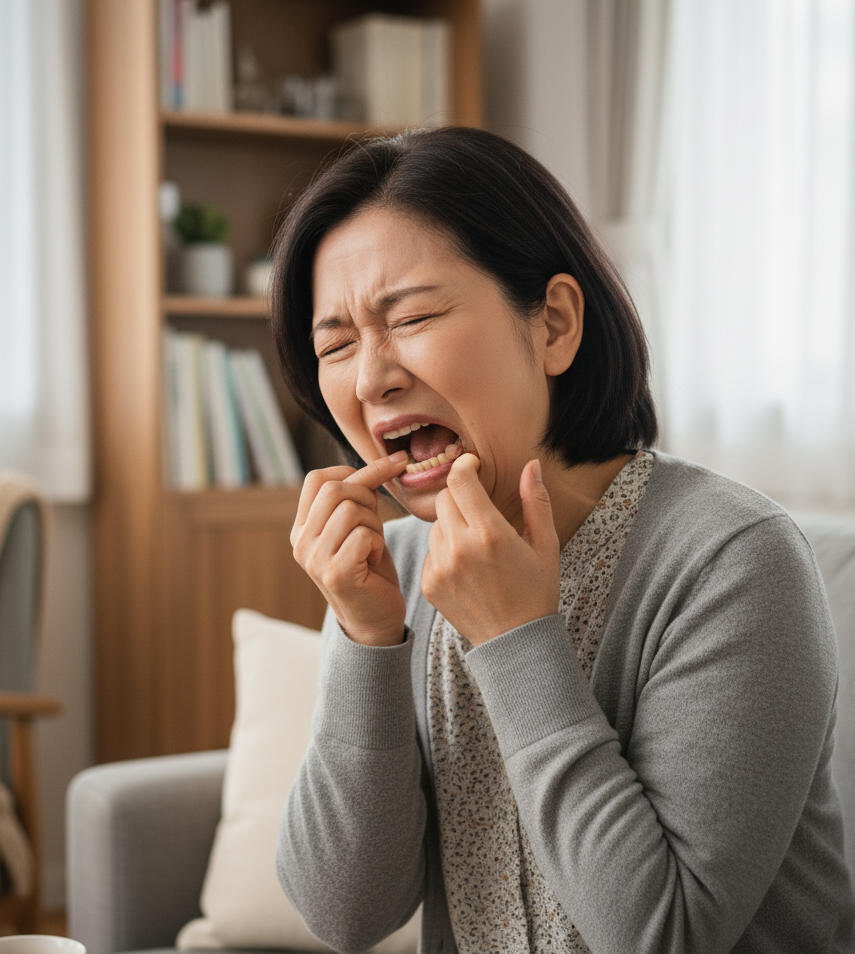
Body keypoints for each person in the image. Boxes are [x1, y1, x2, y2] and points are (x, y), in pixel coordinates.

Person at [271, 126, 855, 954]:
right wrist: (366, 643)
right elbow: (345, 914)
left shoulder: (732, 559)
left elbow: (664, 934)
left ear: (552, 324)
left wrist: (514, 639)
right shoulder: (393, 569)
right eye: (335, 344)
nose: (370, 379)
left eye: (412, 318)